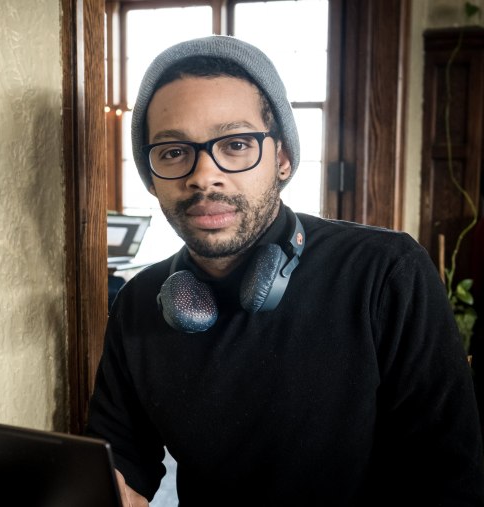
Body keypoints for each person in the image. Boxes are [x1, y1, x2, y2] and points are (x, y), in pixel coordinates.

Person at [86, 35, 484, 506]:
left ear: (283, 158)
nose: (203, 175)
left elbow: (449, 483)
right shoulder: (139, 303)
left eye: (235, 144)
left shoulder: (386, 273)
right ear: (152, 177)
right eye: (174, 152)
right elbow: (121, 466)